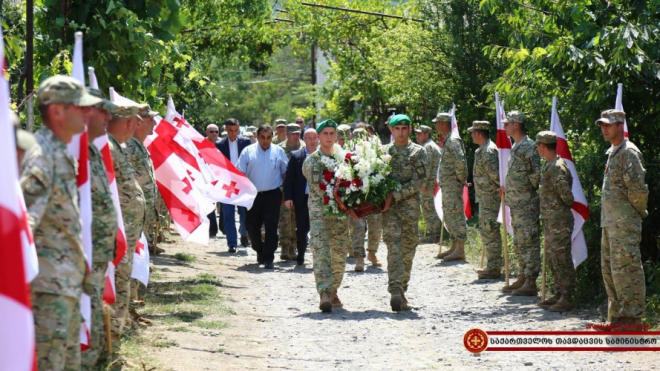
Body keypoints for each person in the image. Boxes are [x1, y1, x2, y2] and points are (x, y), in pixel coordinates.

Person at [21, 75, 101, 370]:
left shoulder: (59, 153)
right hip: (47, 292)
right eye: (79, 107)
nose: (88, 113)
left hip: (62, 286)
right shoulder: (41, 157)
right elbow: (23, 227)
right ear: (56, 111)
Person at [596, 109, 648, 328]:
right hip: (610, 222)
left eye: (609, 125)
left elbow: (638, 190)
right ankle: (617, 316)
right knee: (610, 270)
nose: (604, 129)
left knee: (627, 268)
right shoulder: (614, 151)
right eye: (602, 125)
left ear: (620, 126)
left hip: (624, 222)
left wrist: (635, 213)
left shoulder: (629, 152)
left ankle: (633, 317)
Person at [80, 88, 118, 369]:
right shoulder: (69, 153)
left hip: (95, 261)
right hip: (74, 267)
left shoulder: (91, 150)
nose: (108, 116)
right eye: (101, 110)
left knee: (91, 335)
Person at [107, 102, 146, 352]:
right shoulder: (108, 147)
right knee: (117, 284)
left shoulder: (116, 147)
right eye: (135, 120)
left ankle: (114, 342)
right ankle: (111, 344)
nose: (137, 125)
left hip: (126, 231)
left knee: (122, 283)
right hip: (117, 233)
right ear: (129, 122)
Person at [302, 119, 351, 312]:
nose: (329, 137)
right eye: (325, 134)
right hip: (320, 214)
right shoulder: (312, 161)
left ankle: (333, 290)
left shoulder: (345, 158)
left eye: (332, 133)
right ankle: (323, 292)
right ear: (318, 137)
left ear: (336, 136)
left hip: (340, 216)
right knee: (321, 252)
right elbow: (321, 187)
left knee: (339, 254)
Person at [381, 114, 428, 311]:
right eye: (396, 129)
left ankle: (403, 290)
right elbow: (377, 178)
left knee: (408, 249)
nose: (400, 132)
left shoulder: (418, 152)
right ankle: (395, 290)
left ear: (409, 130)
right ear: (391, 131)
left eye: (404, 128)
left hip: (409, 208)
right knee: (393, 247)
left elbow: (420, 180)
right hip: (389, 210)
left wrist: (397, 194)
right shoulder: (384, 152)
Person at [125, 103, 160, 327]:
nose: (154, 123)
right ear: (138, 121)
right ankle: (126, 311)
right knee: (130, 262)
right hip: (130, 217)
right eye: (150, 119)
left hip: (140, 215)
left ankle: (131, 308)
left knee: (136, 261)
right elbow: (126, 179)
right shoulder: (129, 146)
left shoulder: (139, 146)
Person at [499, 111, 541, 296]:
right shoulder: (516, 145)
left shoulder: (529, 146)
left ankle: (531, 281)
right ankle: (524, 275)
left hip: (526, 203)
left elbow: (535, 176)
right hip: (516, 203)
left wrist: (522, 191)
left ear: (516, 125)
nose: (505, 126)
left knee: (528, 241)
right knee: (519, 242)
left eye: (508, 124)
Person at [237, 125, 288, 269]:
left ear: (272, 137)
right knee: (252, 226)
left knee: (271, 226)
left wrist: (284, 193)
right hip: (253, 195)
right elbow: (240, 172)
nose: (266, 141)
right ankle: (259, 249)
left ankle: (269, 257)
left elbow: (285, 173)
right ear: (257, 137)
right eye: (262, 137)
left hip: (272, 194)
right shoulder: (248, 151)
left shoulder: (279, 151)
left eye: (269, 137)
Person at [535, 130, 575, 311]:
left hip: (559, 221)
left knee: (561, 257)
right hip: (551, 220)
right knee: (552, 258)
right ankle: (559, 292)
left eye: (538, 145)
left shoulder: (557, 167)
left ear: (543, 146)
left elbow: (567, 197)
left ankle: (567, 296)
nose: (537, 148)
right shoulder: (550, 165)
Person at [469, 120, 503, 279]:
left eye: (472, 132)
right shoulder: (483, 149)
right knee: (487, 230)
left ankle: (494, 267)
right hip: (485, 197)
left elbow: (495, 176)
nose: (471, 135)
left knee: (490, 230)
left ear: (477, 133)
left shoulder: (488, 151)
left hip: (490, 197)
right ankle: (492, 264)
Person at [433, 112, 468, 262]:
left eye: (437, 122)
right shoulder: (447, 139)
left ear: (442, 123)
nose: (435, 125)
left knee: (455, 213)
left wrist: (460, 179)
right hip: (448, 184)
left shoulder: (453, 140)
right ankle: (455, 246)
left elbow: (460, 161)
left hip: (453, 184)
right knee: (449, 213)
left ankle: (460, 248)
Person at [347, 127, 383, 270]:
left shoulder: (375, 153)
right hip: (356, 198)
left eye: (363, 138)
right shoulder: (347, 156)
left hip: (373, 197)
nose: (360, 141)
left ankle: (372, 253)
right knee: (357, 228)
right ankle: (359, 258)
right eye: (357, 138)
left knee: (376, 228)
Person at [284, 128, 318, 266]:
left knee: (317, 228)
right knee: (302, 229)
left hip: (319, 199)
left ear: (318, 139)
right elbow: (289, 178)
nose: (311, 141)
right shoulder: (296, 155)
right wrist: (288, 197)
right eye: (308, 138)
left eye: (314, 138)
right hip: (302, 198)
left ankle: (318, 257)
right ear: (304, 139)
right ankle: (301, 255)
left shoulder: (324, 155)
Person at [218, 118, 251, 252]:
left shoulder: (246, 142)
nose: (233, 133)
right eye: (230, 130)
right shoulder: (220, 145)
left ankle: (244, 232)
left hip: (242, 182)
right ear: (226, 129)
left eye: (236, 130)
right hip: (227, 184)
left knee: (244, 212)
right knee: (228, 213)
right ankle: (232, 242)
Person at [278, 123, 304, 260]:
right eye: (292, 133)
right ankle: (284, 246)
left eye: (297, 134)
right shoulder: (279, 149)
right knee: (284, 218)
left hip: (299, 188)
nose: (295, 136)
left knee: (297, 219)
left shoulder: (305, 148)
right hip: (284, 188)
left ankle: (293, 247)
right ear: (286, 134)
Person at [415, 124, 442, 242]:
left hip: (430, 184)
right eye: (416, 133)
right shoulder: (430, 146)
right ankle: (433, 233)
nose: (417, 136)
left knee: (429, 209)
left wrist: (423, 184)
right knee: (429, 208)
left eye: (419, 133)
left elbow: (427, 168)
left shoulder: (428, 147)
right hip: (432, 184)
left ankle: (434, 235)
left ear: (427, 134)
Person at [205, 123, 222, 237]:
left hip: (221, 178)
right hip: (206, 178)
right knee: (209, 204)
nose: (214, 134)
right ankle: (212, 229)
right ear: (207, 132)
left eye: (216, 131)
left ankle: (223, 227)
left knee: (224, 204)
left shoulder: (221, 144)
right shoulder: (201, 144)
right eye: (212, 131)